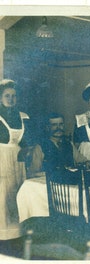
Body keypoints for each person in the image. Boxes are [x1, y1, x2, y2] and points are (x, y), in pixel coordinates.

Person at [0, 79, 30, 240]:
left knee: (18, 192)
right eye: (7, 96)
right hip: (2, 160)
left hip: (18, 161)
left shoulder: (22, 116)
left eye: (14, 96)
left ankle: (18, 232)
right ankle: (3, 233)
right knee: (3, 194)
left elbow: (26, 142)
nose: (11, 99)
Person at [27, 112, 90, 176]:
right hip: (50, 184)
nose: (58, 128)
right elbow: (32, 173)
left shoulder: (69, 144)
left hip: (69, 183)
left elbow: (81, 159)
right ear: (47, 127)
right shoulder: (40, 147)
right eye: (54, 125)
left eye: (61, 124)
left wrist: (88, 163)